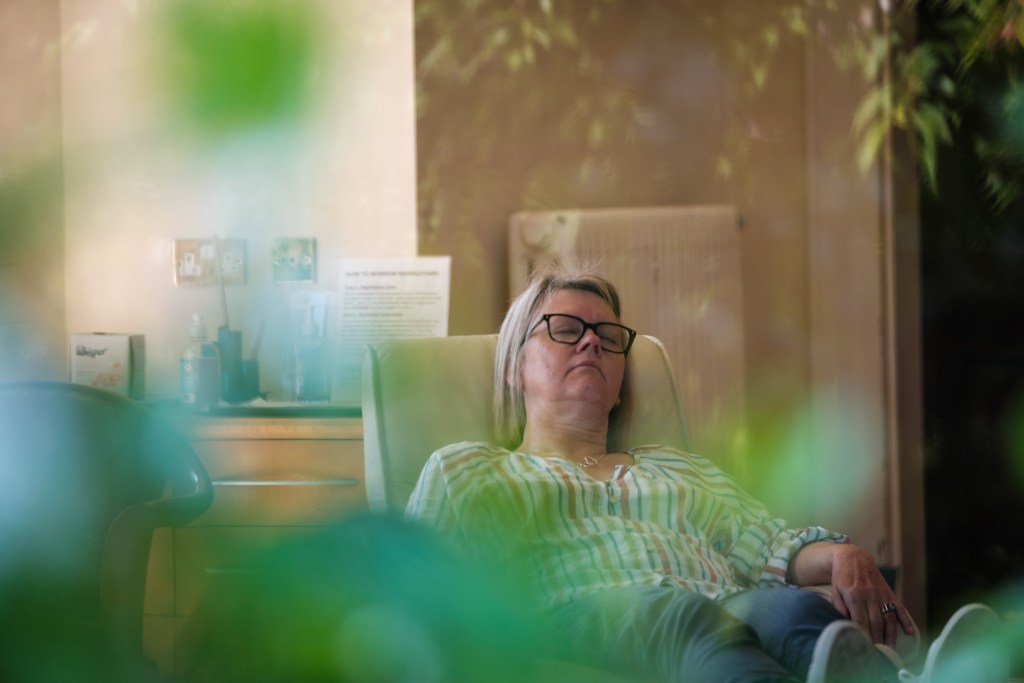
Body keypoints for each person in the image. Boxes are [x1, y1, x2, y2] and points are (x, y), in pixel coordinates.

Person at [405, 265, 1006, 683]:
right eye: (566, 330)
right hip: (576, 620)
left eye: (608, 337)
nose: (591, 343)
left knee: (789, 611)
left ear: (620, 385)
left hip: (721, 606)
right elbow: (419, 596)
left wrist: (846, 556)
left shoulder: (680, 468)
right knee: (685, 616)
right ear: (513, 368)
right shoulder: (468, 471)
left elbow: (767, 546)